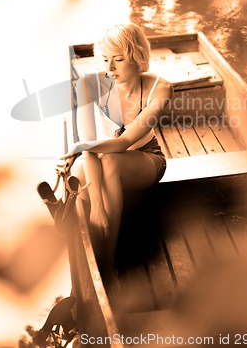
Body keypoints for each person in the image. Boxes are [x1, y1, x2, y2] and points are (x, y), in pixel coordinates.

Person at [58, 22, 172, 291]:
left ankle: (107, 266)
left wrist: (83, 147)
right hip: (98, 156)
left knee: (105, 162)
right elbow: (89, 149)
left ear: (136, 56)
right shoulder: (87, 85)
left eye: (118, 60)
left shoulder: (160, 87)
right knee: (81, 179)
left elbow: (124, 142)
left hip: (144, 157)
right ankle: (88, 264)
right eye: (105, 60)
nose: (109, 69)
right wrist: (96, 204)